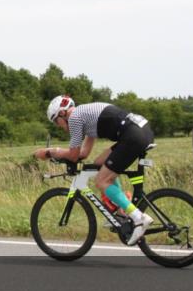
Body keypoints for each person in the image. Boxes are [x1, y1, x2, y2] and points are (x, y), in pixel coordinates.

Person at [34, 96, 155, 245]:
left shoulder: (74, 118)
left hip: (133, 136)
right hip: (140, 130)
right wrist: (61, 154)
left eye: (55, 120)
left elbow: (73, 155)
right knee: (99, 164)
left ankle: (138, 218)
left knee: (101, 181)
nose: (57, 125)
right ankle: (121, 211)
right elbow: (83, 154)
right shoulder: (84, 115)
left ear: (62, 114)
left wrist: (50, 152)